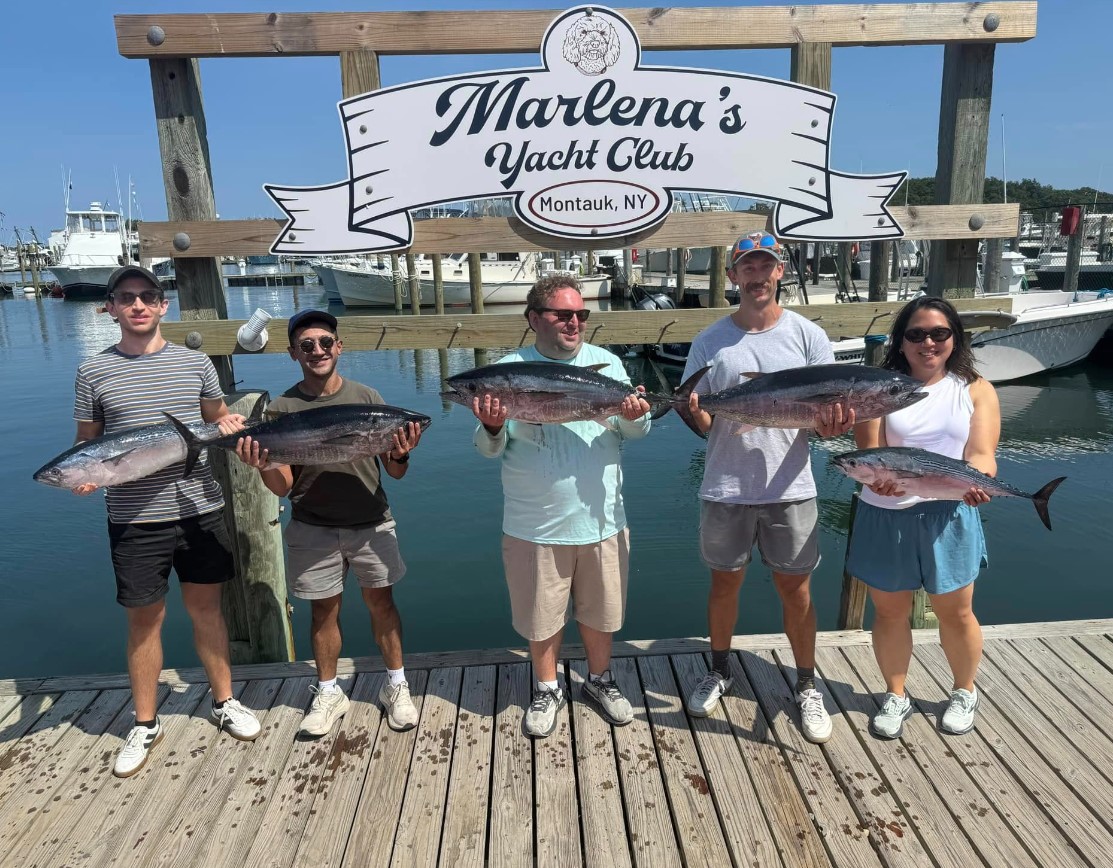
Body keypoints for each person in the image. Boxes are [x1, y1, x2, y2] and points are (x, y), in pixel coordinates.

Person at [72, 265, 261, 778]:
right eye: (125, 297)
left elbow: (216, 418)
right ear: (110, 308)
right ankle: (145, 721)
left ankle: (224, 701)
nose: (137, 305)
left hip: (199, 507)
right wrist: (85, 476)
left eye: (147, 296)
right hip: (133, 517)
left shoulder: (195, 363)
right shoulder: (93, 371)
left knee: (207, 611)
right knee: (144, 621)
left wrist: (230, 423)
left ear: (162, 305)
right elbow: (87, 443)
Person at [682, 232, 853, 743]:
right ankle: (719, 669)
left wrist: (832, 427)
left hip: (791, 487)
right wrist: (693, 413)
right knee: (723, 584)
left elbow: (824, 417)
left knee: (796, 590)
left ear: (780, 271)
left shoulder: (808, 336)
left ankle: (806, 683)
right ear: (733, 275)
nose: (757, 276)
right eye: (747, 267)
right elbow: (703, 422)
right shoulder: (710, 341)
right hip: (726, 486)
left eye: (766, 266)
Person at [470, 274, 651, 738]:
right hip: (535, 523)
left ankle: (599, 679)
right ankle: (547, 687)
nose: (574, 322)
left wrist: (636, 415)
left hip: (603, 517)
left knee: (601, 611)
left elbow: (635, 432)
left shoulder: (608, 364)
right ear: (534, 319)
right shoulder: (506, 371)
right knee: (541, 614)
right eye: (563, 314)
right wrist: (491, 426)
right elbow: (489, 450)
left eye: (581, 314)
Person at [235, 310, 423, 735]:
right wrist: (260, 464)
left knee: (382, 604)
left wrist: (401, 452)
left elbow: (395, 472)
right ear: (293, 353)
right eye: (307, 345)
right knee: (323, 611)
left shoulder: (368, 398)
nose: (317, 351)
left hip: (371, 520)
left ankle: (396, 685)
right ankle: (327, 691)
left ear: (339, 347)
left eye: (324, 342)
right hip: (312, 525)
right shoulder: (281, 409)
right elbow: (283, 486)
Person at [847, 296, 998, 739]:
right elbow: (868, 452)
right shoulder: (878, 390)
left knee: (957, 612)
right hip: (886, 514)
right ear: (901, 341)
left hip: (949, 512)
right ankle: (896, 694)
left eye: (939, 333)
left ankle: (964, 690)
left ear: (955, 338)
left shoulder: (975, 389)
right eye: (916, 334)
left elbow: (982, 455)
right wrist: (879, 482)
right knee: (889, 612)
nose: (927, 342)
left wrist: (980, 481)